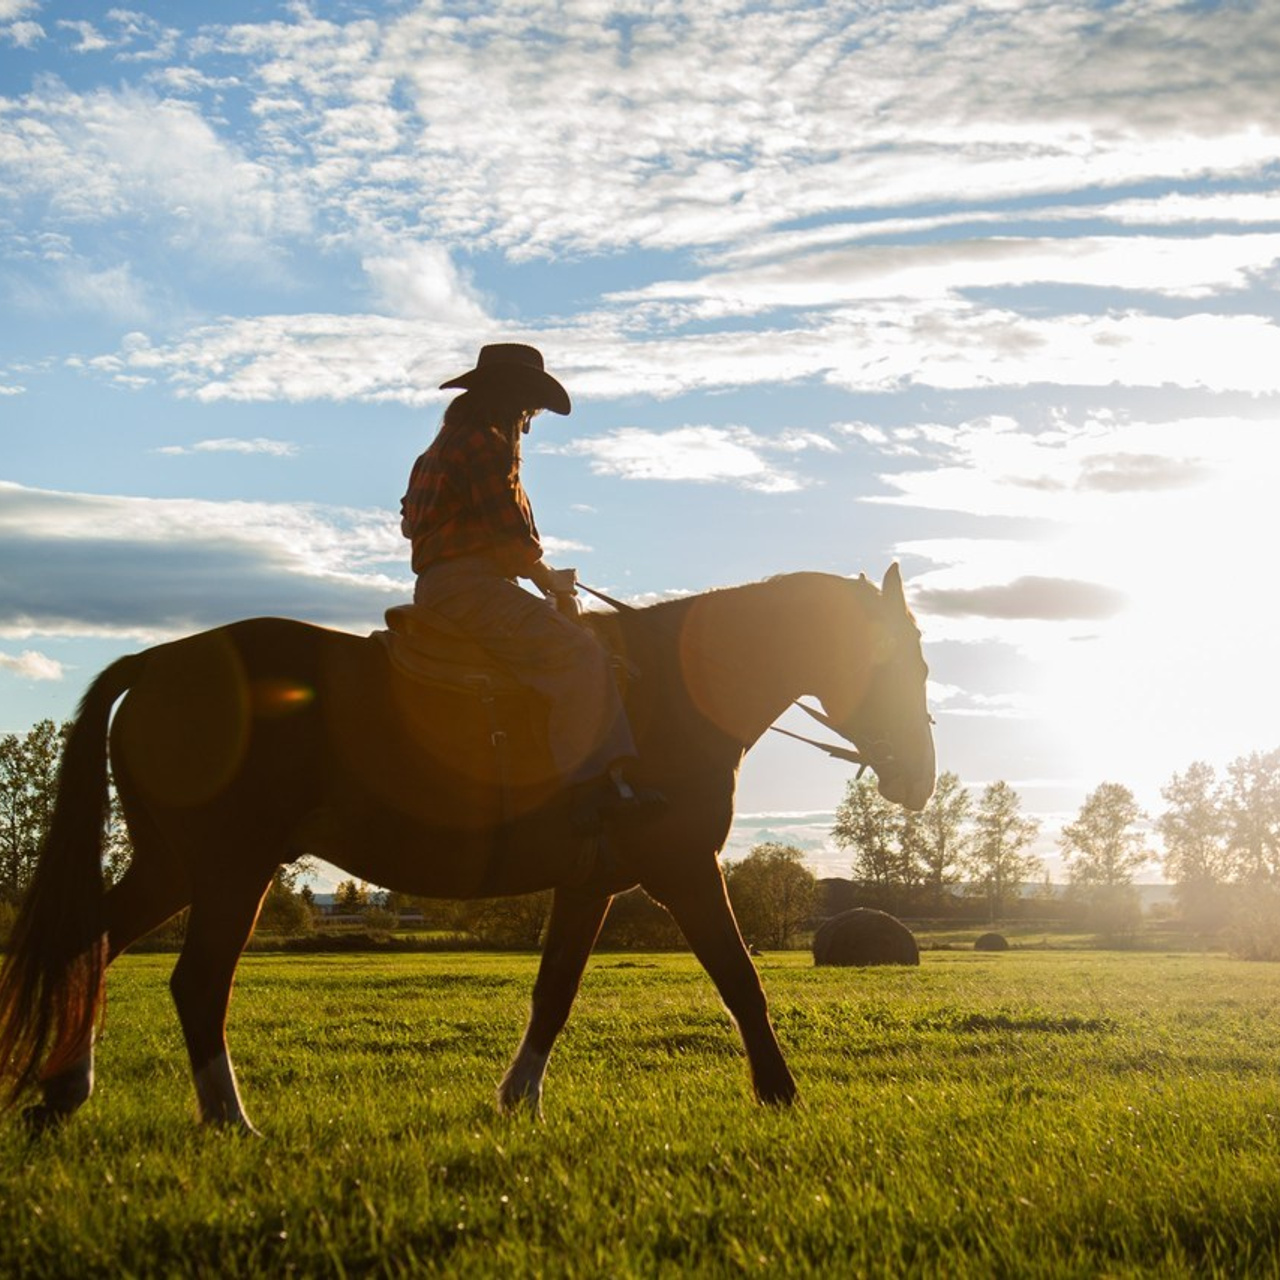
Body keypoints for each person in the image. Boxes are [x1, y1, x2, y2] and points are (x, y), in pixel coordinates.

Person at [400, 342, 654, 821]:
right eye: (529, 406)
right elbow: (510, 537)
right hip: (472, 589)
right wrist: (551, 581)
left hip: (436, 587)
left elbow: (409, 523)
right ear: (513, 400)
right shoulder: (486, 445)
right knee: (581, 654)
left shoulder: (434, 452)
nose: (530, 417)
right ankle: (592, 785)